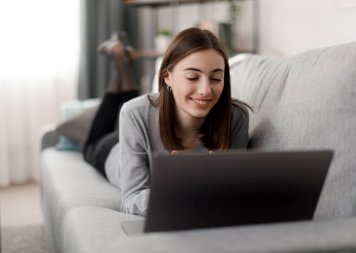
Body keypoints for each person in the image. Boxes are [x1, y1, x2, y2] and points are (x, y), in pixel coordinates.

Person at [83, 27, 250, 216]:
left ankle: (122, 70)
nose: (205, 90)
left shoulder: (236, 118)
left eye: (216, 78)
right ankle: (121, 71)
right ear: (167, 76)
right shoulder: (134, 113)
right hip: (110, 151)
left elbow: (233, 190)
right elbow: (131, 200)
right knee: (91, 144)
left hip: (142, 129)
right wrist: (185, 187)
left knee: (134, 105)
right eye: (192, 77)